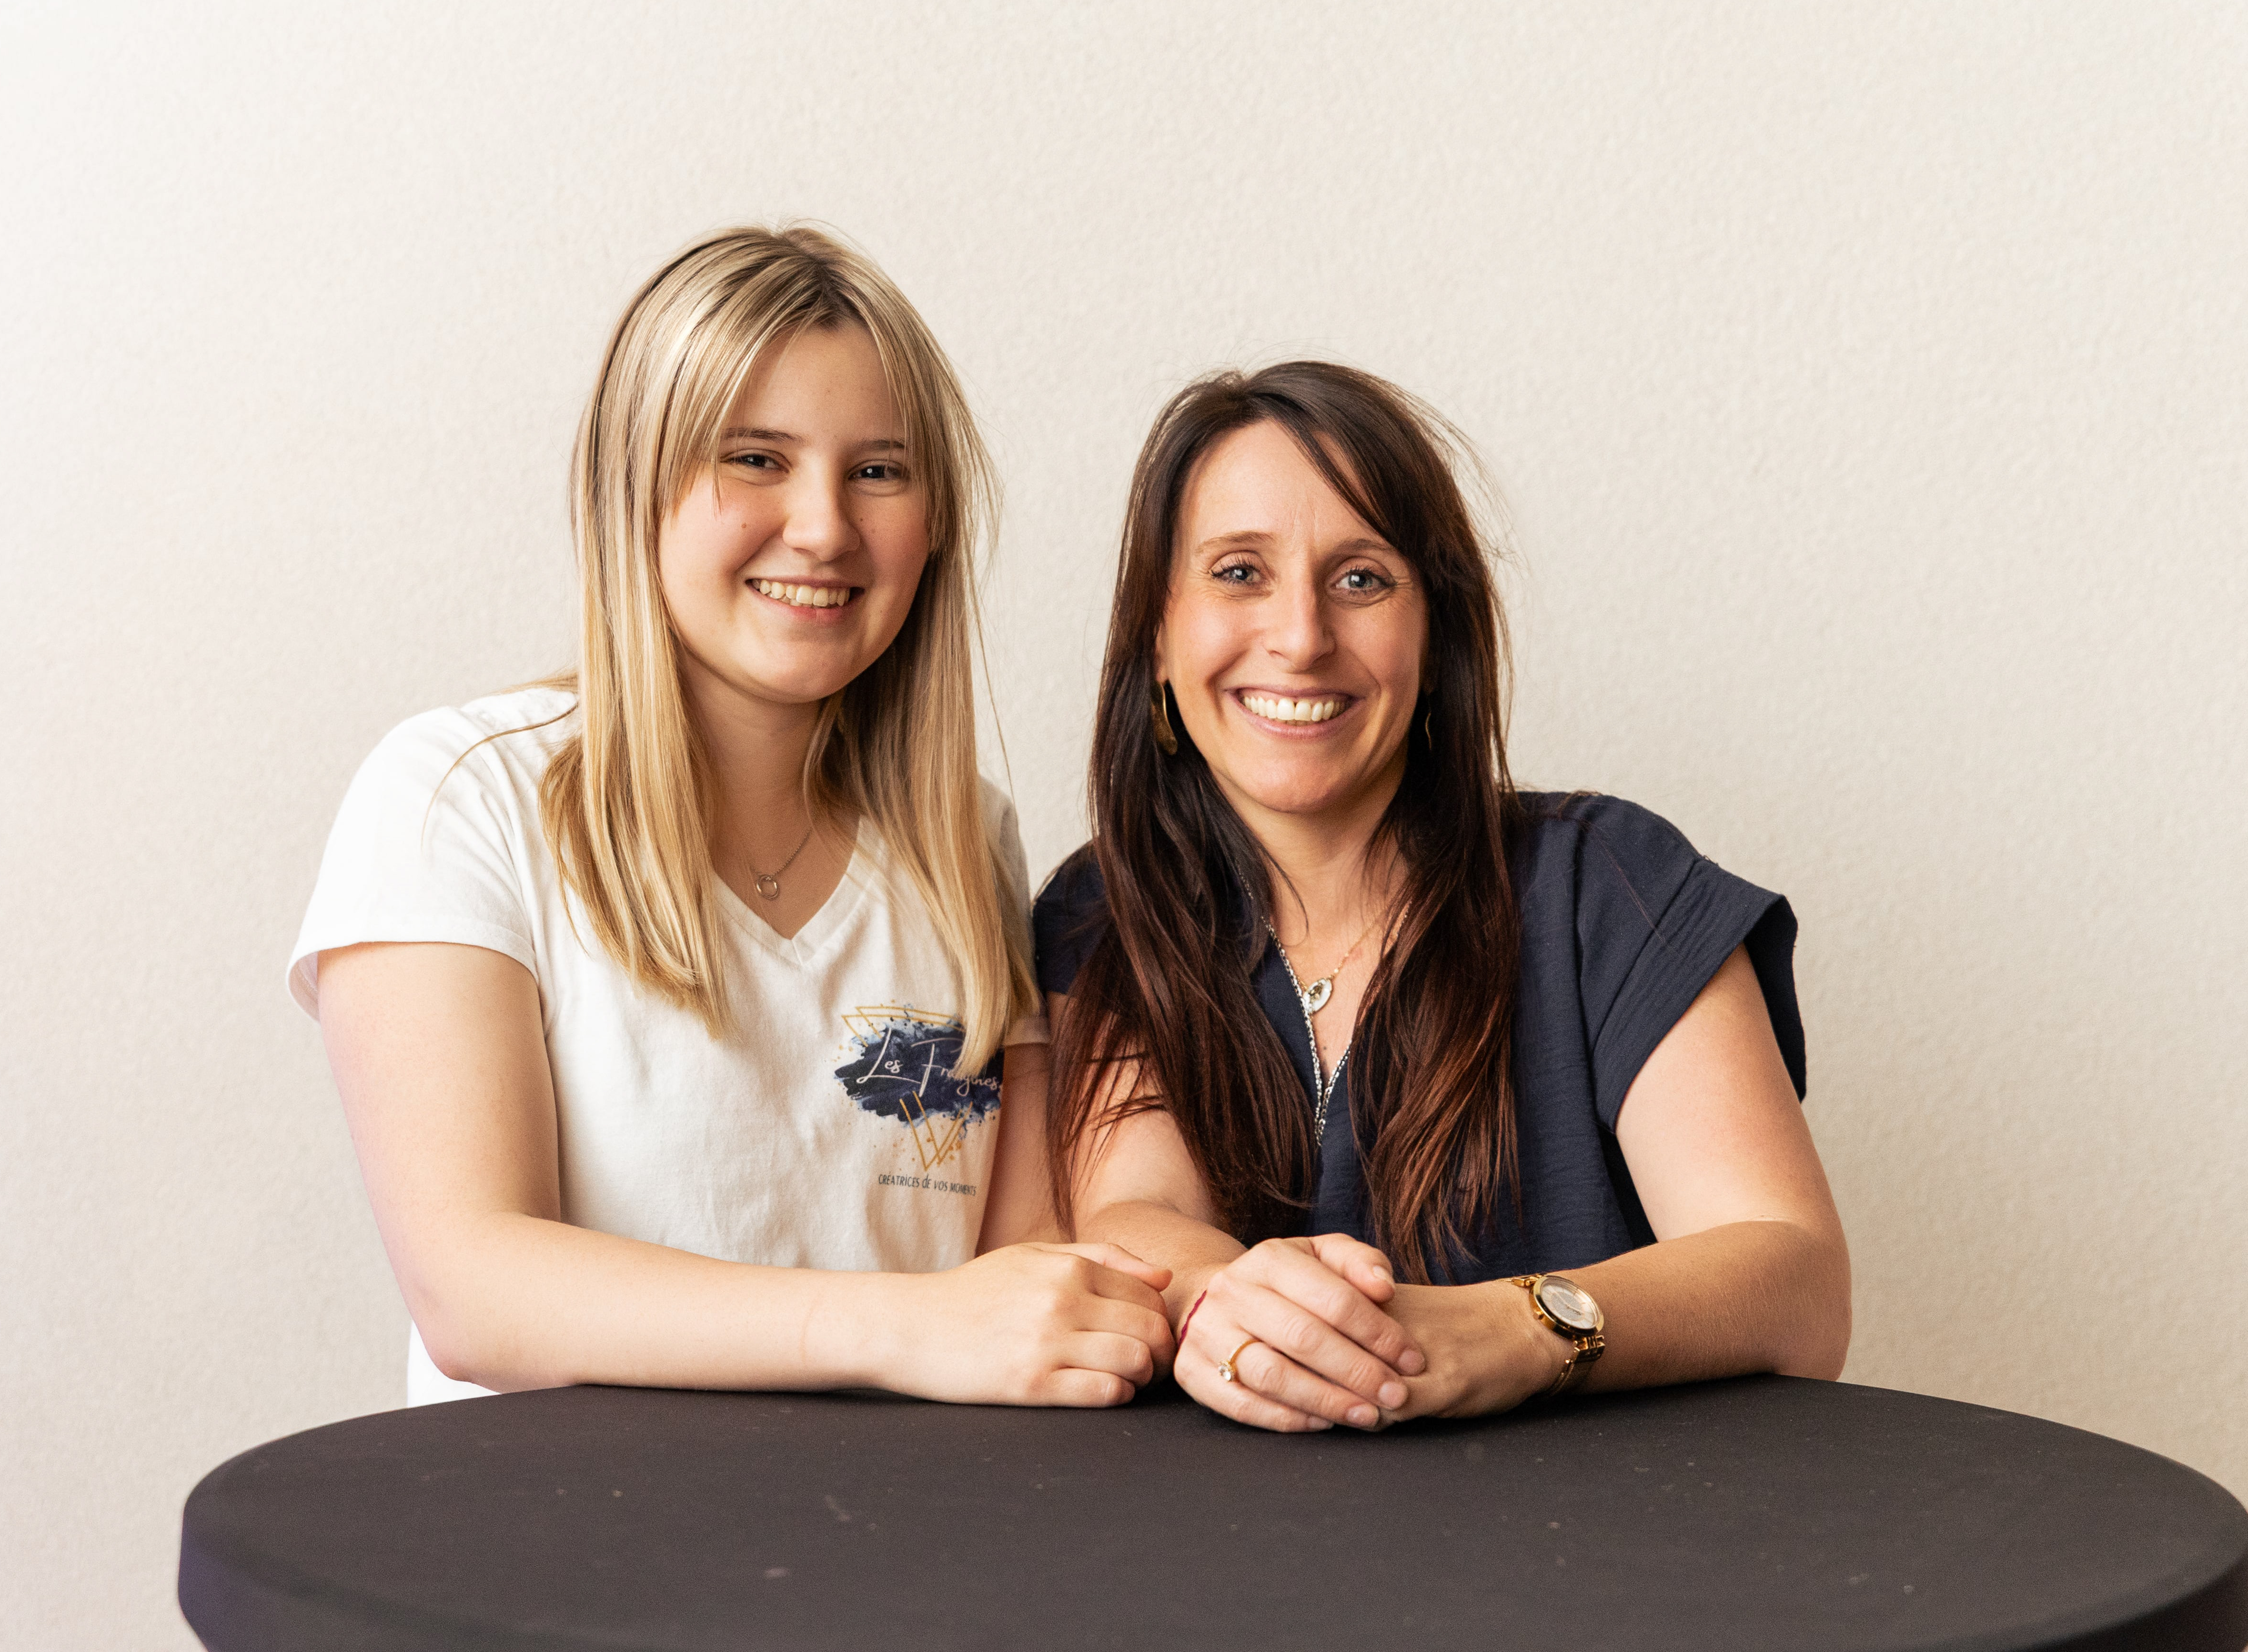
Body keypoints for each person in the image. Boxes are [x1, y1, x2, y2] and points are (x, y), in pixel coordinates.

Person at [292, 226, 1171, 1408]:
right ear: (634, 487)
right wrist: (901, 1325)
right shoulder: (458, 795)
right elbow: (472, 1289)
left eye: (879, 471)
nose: (822, 526)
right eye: (755, 458)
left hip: (900, 1522)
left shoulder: (965, 837)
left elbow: (1022, 1278)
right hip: (561, 1524)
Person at [1034, 361, 1849, 1432]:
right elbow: (1136, 1208)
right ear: (1156, 630)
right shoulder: (1100, 909)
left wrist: (1516, 1327)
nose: (1300, 636)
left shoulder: (1607, 883)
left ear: (1437, 634)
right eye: (1238, 572)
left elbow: (1796, 1283)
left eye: (1360, 578)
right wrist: (1241, 1301)